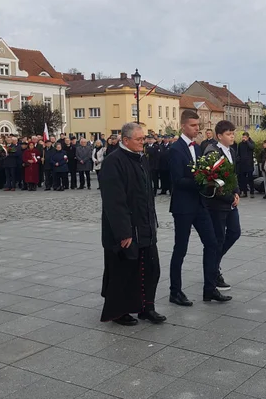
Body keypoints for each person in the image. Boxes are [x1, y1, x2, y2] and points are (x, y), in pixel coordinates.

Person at [98, 123, 166, 325]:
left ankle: (147, 307)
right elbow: (114, 201)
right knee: (124, 271)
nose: (142, 142)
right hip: (125, 230)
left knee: (151, 267)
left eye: (143, 138)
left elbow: (146, 193)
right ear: (125, 140)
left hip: (144, 225)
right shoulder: (113, 162)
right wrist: (124, 233)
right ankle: (119, 311)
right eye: (138, 139)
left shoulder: (142, 158)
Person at [168, 109, 229, 305]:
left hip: (200, 204)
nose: (197, 129)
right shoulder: (175, 149)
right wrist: (204, 181)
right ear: (183, 126)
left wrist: (211, 178)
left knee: (212, 244)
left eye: (198, 125)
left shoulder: (198, 147)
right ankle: (175, 291)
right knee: (181, 249)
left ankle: (209, 289)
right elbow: (178, 181)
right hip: (183, 206)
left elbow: (201, 171)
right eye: (193, 125)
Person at [203, 120, 241, 290]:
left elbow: (233, 174)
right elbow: (213, 180)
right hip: (218, 203)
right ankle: (214, 273)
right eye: (228, 134)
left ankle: (215, 263)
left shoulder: (231, 151)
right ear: (219, 136)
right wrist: (228, 197)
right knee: (218, 239)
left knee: (234, 232)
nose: (232, 136)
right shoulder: (212, 152)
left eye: (233, 133)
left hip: (231, 201)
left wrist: (237, 192)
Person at [237, 132, 255, 198]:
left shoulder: (251, 143)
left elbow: (252, 147)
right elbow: (238, 153)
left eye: (244, 137)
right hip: (242, 164)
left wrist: (247, 142)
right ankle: (244, 192)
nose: (243, 138)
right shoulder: (240, 144)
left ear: (247, 137)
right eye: (243, 137)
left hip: (249, 164)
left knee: (250, 178)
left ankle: (252, 192)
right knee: (243, 179)